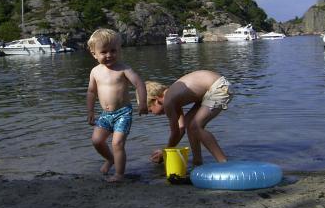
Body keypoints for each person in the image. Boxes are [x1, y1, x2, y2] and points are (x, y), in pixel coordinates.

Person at [86, 28, 148, 182]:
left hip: (123, 113)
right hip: (105, 114)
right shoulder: (95, 72)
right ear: (94, 54)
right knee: (97, 140)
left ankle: (119, 174)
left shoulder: (123, 69)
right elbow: (91, 92)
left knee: (117, 142)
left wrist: (142, 103)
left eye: (113, 51)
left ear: (119, 50)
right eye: (104, 52)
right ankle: (110, 159)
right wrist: (90, 111)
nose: (109, 55)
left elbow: (139, 84)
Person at [146, 70, 233, 166]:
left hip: (219, 87)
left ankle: (223, 163)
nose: (153, 114)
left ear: (155, 100)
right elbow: (181, 128)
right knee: (190, 124)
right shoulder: (172, 97)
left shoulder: (168, 101)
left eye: (150, 110)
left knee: (195, 126)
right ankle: (197, 162)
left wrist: (165, 151)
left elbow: (175, 133)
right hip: (212, 89)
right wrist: (166, 150)